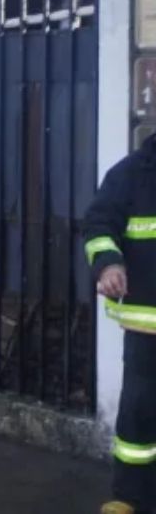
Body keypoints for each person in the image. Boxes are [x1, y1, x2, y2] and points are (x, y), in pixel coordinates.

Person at [84, 133, 156, 514]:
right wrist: (108, 263)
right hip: (147, 332)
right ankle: (130, 499)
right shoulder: (128, 175)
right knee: (138, 420)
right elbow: (98, 225)